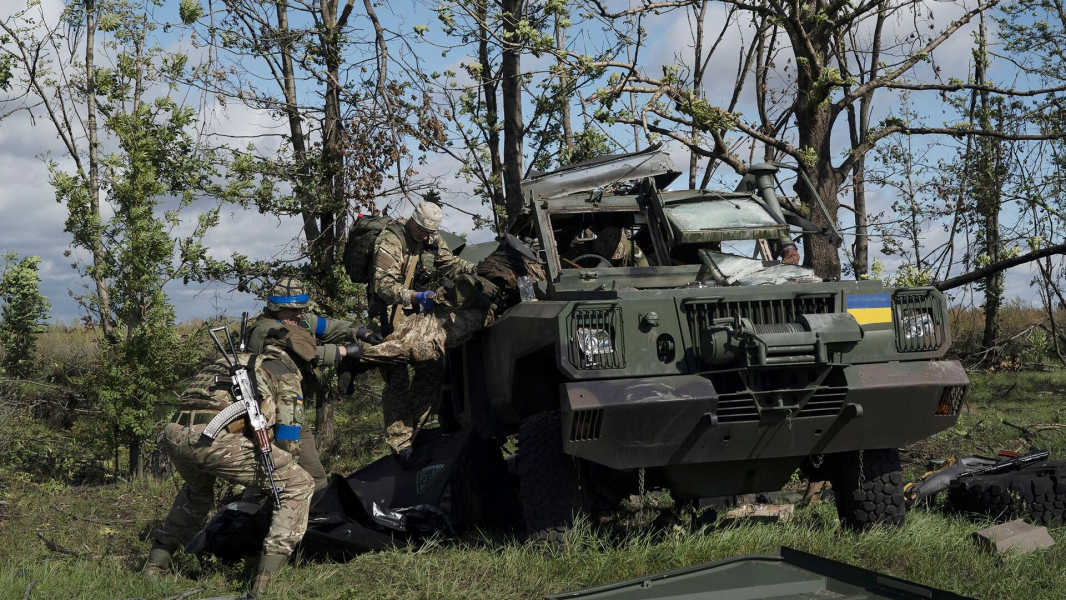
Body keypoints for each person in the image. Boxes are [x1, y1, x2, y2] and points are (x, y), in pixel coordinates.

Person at [143, 326, 317, 594]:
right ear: (301, 357)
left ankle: (156, 564)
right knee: (298, 484)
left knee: (197, 494)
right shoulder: (284, 372)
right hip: (215, 439)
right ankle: (266, 583)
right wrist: (283, 469)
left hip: (176, 434)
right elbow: (289, 438)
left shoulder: (236, 361)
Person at [243, 276, 381, 491]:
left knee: (313, 479)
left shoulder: (299, 320)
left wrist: (360, 332)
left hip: (294, 410)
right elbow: (305, 353)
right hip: (268, 415)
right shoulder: (266, 329)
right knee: (275, 481)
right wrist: (343, 351)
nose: (298, 314)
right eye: (292, 309)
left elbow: (330, 327)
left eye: (301, 309)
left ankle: (309, 511)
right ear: (276, 308)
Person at [368, 201, 476, 454]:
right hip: (388, 315)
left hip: (417, 318)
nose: (426, 237)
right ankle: (399, 443)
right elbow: (383, 286)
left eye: (430, 232)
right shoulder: (390, 241)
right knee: (397, 379)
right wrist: (416, 297)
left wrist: (476, 269)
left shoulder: (432, 238)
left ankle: (413, 430)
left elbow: (450, 264)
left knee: (432, 369)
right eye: (423, 231)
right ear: (413, 221)